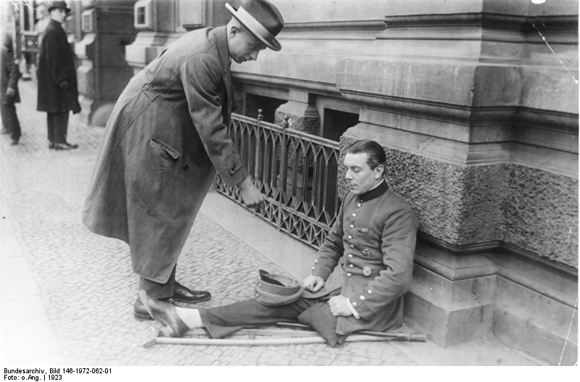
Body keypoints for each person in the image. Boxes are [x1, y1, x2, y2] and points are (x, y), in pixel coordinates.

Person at [82, 0, 284, 321]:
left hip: (156, 124)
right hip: (147, 130)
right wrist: (242, 182)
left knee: (168, 208)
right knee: (160, 210)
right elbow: (210, 125)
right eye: (254, 45)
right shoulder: (204, 57)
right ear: (234, 30)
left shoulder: (213, 44)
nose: (255, 56)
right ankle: (150, 299)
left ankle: (164, 286)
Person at [139, 140, 420, 347]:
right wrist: (318, 275)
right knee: (280, 300)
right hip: (337, 286)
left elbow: (398, 277)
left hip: (370, 305)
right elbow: (334, 242)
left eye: (355, 170)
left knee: (312, 315)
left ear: (379, 171)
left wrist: (352, 304)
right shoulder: (351, 198)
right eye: (346, 169)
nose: (347, 177)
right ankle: (189, 318)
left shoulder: (398, 211)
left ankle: (188, 319)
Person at [36, 0, 80, 150]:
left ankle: (53, 140)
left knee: (54, 110)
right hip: (57, 81)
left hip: (52, 82)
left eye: (64, 12)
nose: (63, 15)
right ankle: (59, 141)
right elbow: (53, 58)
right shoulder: (54, 30)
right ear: (52, 12)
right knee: (61, 110)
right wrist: (62, 79)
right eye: (60, 11)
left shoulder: (52, 29)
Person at [0, 32, 22, 145]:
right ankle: (7, 128)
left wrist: (11, 87)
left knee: (10, 111)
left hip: (6, 89)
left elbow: (14, 70)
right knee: (4, 109)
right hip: (2, 89)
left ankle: (15, 136)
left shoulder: (3, 52)